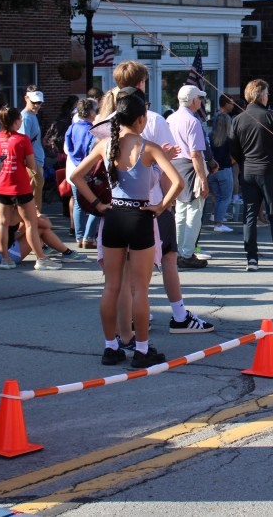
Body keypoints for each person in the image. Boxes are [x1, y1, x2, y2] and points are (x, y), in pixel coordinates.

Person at [71, 92, 184, 368]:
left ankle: (111, 347)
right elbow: (178, 183)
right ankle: (142, 350)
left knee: (111, 286)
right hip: (140, 215)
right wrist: (160, 207)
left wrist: (98, 204)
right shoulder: (149, 148)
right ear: (141, 118)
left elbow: (76, 176)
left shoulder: (105, 145)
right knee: (140, 289)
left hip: (113, 216)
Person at [104, 64, 215, 341]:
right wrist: (166, 204)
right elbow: (170, 174)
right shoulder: (151, 120)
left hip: (115, 206)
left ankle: (119, 336)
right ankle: (176, 316)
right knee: (164, 262)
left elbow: (82, 173)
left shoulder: (106, 119)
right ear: (141, 84)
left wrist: (96, 203)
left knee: (118, 280)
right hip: (149, 204)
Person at [0, 106, 65, 270]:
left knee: (2, 223)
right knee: (31, 224)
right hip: (19, 186)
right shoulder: (22, 139)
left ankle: (5, 259)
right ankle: (41, 259)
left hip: (0, 185)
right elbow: (31, 165)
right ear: (16, 121)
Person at [229, 78, 273, 271]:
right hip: (269, 171)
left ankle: (251, 259)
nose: (268, 96)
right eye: (267, 93)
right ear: (261, 95)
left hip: (248, 171)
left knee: (249, 216)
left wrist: (243, 163)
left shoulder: (238, 119)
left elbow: (233, 148)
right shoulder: (271, 117)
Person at [168, 85, 212, 269]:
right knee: (194, 211)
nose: (200, 102)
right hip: (190, 167)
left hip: (174, 167)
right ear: (193, 100)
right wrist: (203, 180)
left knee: (180, 212)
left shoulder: (170, 118)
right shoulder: (192, 121)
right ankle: (186, 253)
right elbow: (196, 154)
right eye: (199, 98)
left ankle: (178, 251)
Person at [65, 98, 100, 248]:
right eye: (96, 110)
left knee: (78, 204)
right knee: (97, 202)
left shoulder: (72, 128)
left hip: (74, 168)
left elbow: (68, 148)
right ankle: (89, 236)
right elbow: (92, 151)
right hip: (88, 170)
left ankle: (79, 236)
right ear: (91, 112)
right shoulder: (92, 130)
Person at [18, 85, 46, 211]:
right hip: (32, 161)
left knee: (36, 193)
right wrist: (31, 165)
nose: (36, 105)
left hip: (36, 159)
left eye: (39, 103)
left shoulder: (32, 115)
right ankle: (34, 219)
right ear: (26, 98)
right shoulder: (25, 118)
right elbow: (24, 143)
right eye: (34, 102)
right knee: (33, 198)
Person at [209, 109, 235, 231]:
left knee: (218, 197)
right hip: (225, 169)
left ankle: (217, 222)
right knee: (225, 198)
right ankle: (218, 223)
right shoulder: (229, 139)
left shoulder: (210, 137)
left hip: (212, 170)